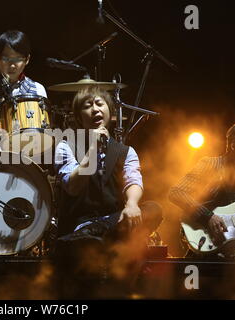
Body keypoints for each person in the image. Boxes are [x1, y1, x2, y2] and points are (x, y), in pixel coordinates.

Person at [52, 86, 162, 298]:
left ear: (111, 113)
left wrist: (131, 205)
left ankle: (98, 235)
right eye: (87, 105)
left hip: (116, 224)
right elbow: (72, 186)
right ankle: (91, 236)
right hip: (78, 225)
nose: (95, 110)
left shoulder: (126, 151)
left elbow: (134, 180)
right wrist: (93, 149)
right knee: (84, 241)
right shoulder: (66, 147)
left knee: (153, 209)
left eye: (99, 104)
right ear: (77, 117)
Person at [169, 119, 235, 258]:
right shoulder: (210, 164)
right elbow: (176, 192)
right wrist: (208, 216)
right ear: (234, 146)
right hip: (205, 241)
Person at [0, 30, 47, 145]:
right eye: (6, 59)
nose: (12, 65)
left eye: (18, 59)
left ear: (27, 59)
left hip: (24, 154)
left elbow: (41, 135)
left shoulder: (37, 90)